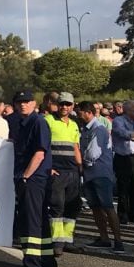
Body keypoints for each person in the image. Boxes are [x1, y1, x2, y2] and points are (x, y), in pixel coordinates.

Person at [9, 91, 56, 267]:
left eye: (26, 101)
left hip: (33, 178)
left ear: (34, 103)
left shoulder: (37, 122)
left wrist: (26, 176)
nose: (23, 105)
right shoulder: (23, 123)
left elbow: (39, 153)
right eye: (19, 102)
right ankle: (48, 264)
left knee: (31, 222)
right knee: (41, 222)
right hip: (34, 177)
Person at [77, 101, 125, 253]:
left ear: (88, 112)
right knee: (96, 208)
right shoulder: (85, 129)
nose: (78, 115)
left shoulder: (98, 129)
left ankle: (118, 241)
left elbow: (93, 153)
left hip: (100, 173)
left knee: (107, 207)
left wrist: (81, 162)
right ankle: (104, 238)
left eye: (80, 112)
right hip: (90, 174)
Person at [46, 93, 83, 256]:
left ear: (72, 106)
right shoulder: (48, 121)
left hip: (72, 171)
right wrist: (48, 167)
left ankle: (68, 240)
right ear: (57, 105)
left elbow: (76, 147)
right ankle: (57, 242)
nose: (64, 107)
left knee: (73, 206)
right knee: (57, 206)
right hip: (57, 171)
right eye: (62, 104)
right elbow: (43, 145)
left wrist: (80, 167)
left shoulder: (74, 124)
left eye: (68, 104)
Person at [111, 100, 134, 224]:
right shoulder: (118, 121)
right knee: (123, 187)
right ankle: (122, 214)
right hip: (123, 157)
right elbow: (123, 133)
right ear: (128, 110)